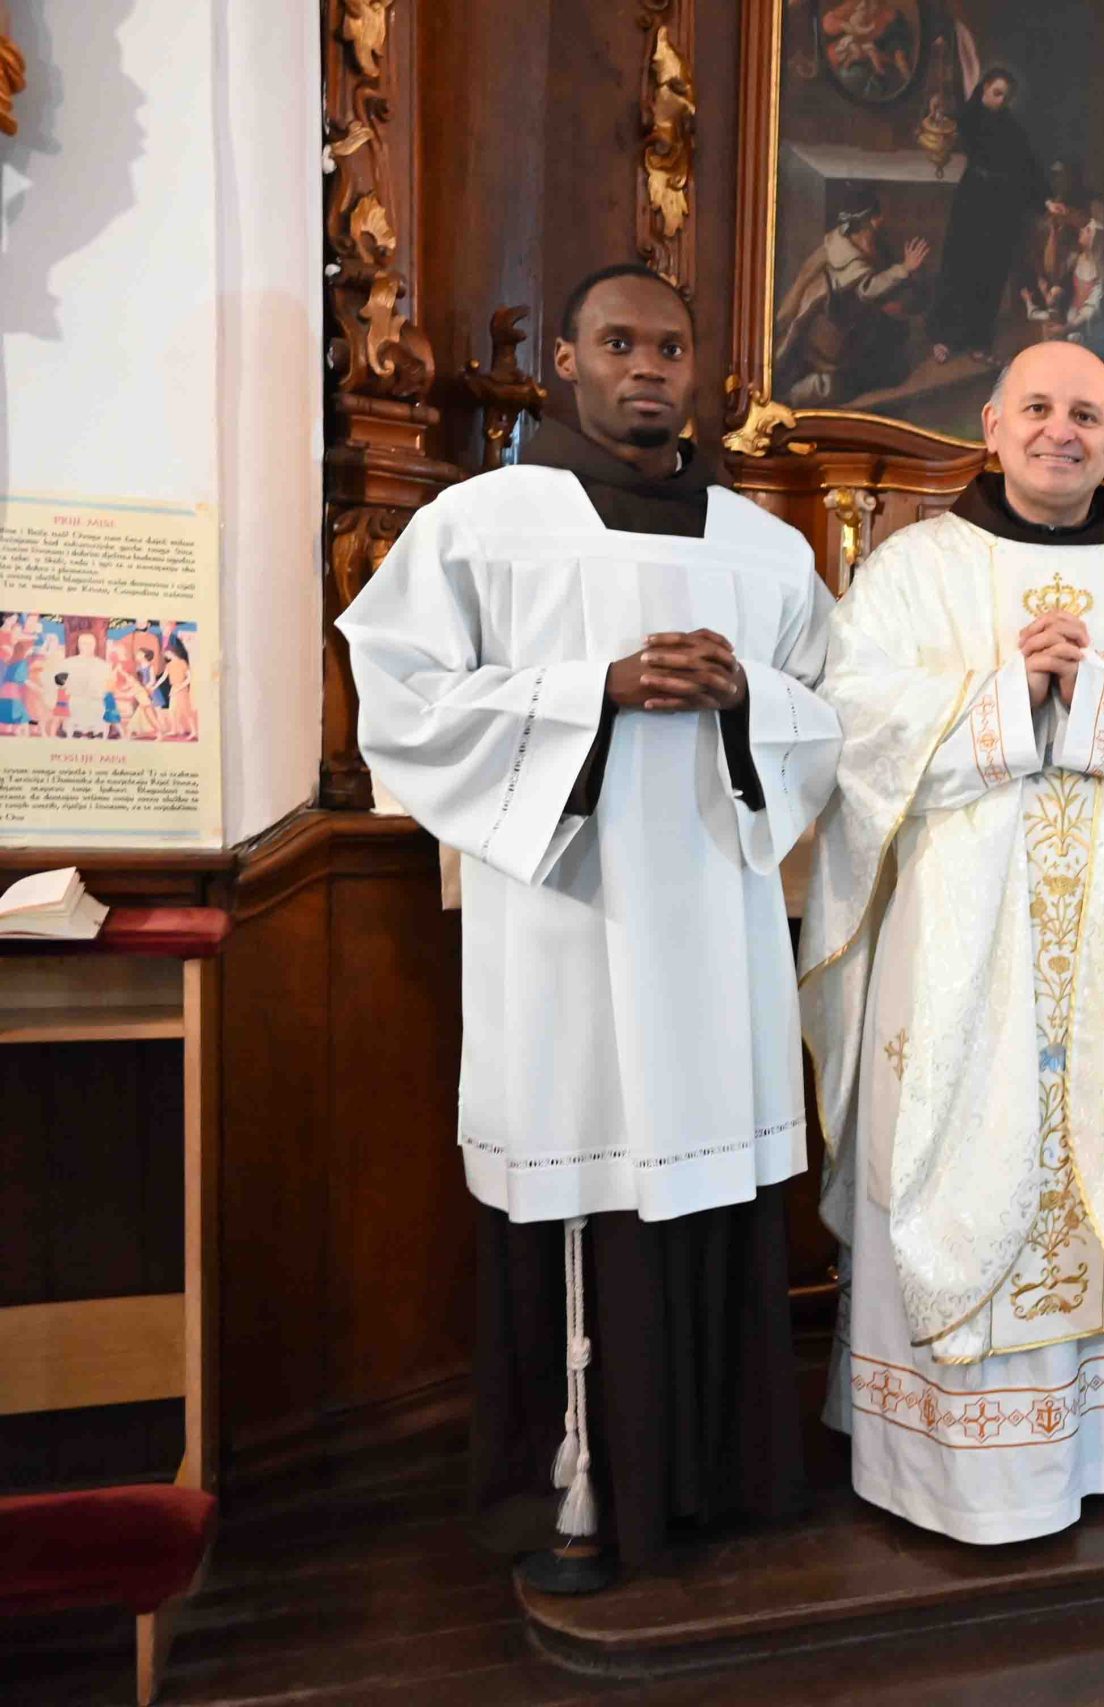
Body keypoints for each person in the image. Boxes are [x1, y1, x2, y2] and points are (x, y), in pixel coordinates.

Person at [337, 262, 843, 1596]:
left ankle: (722, 1474)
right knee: (586, 1170)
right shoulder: (480, 522)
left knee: (712, 1177)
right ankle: (574, 1487)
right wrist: (591, 692)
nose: (648, 367)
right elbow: (400, 705)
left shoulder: (766, 550)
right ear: (566, 359)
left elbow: (835, 717)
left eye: (670, 346)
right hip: (566, 921)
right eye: (619, 342)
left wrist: (749, 700)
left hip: (718, 925)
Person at [801, 339, 1104, 1544]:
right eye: (1040, 408)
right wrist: (1009, 694)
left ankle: (1101, 1440)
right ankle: (944, 1463)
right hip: (955, 946)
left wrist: (1096, 696)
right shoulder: (913, 570)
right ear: (994, 424)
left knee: (1102, 1131)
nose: (1062, 430)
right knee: (954, 1133)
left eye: (1088, 414)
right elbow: (852, 723)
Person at [926, 68, 1042, 365]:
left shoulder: (1012, 127)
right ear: (984, 88)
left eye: (1006, 96)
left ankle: (978, 340)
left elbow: (1028, 166)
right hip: (972, 201)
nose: (1001, 101)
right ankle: (943, 337)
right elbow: (946, 117)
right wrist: (937, 107)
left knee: (989, 273)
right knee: (959, 268)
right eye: (997, 93)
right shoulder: (969, 116)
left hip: (1000, 206)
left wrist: (1046, 199)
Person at [774, 191, 931, 408]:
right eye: (878, 216)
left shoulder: (849, 242)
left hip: (845, 335)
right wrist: (904, 268)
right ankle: (791, 397)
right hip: (832, 343)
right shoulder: (848, 260)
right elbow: (868, 290)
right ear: (873, 220)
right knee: (843, 384)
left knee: (893, 363)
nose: (882, 220)